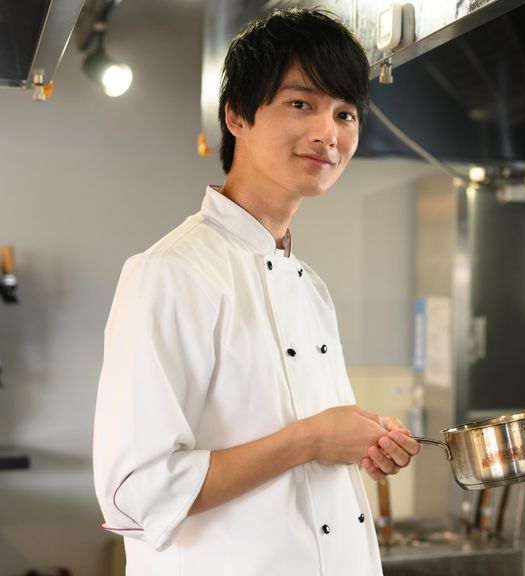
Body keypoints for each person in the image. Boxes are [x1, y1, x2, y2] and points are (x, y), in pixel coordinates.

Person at [93, 8, 419, 575]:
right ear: (237, 115)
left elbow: (301, 443)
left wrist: (359, 441)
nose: (328, 133)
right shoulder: (172, 272)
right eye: (301, 104)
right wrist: (311, 440)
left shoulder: (309, 286)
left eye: (345, 113)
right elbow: (135, 493)